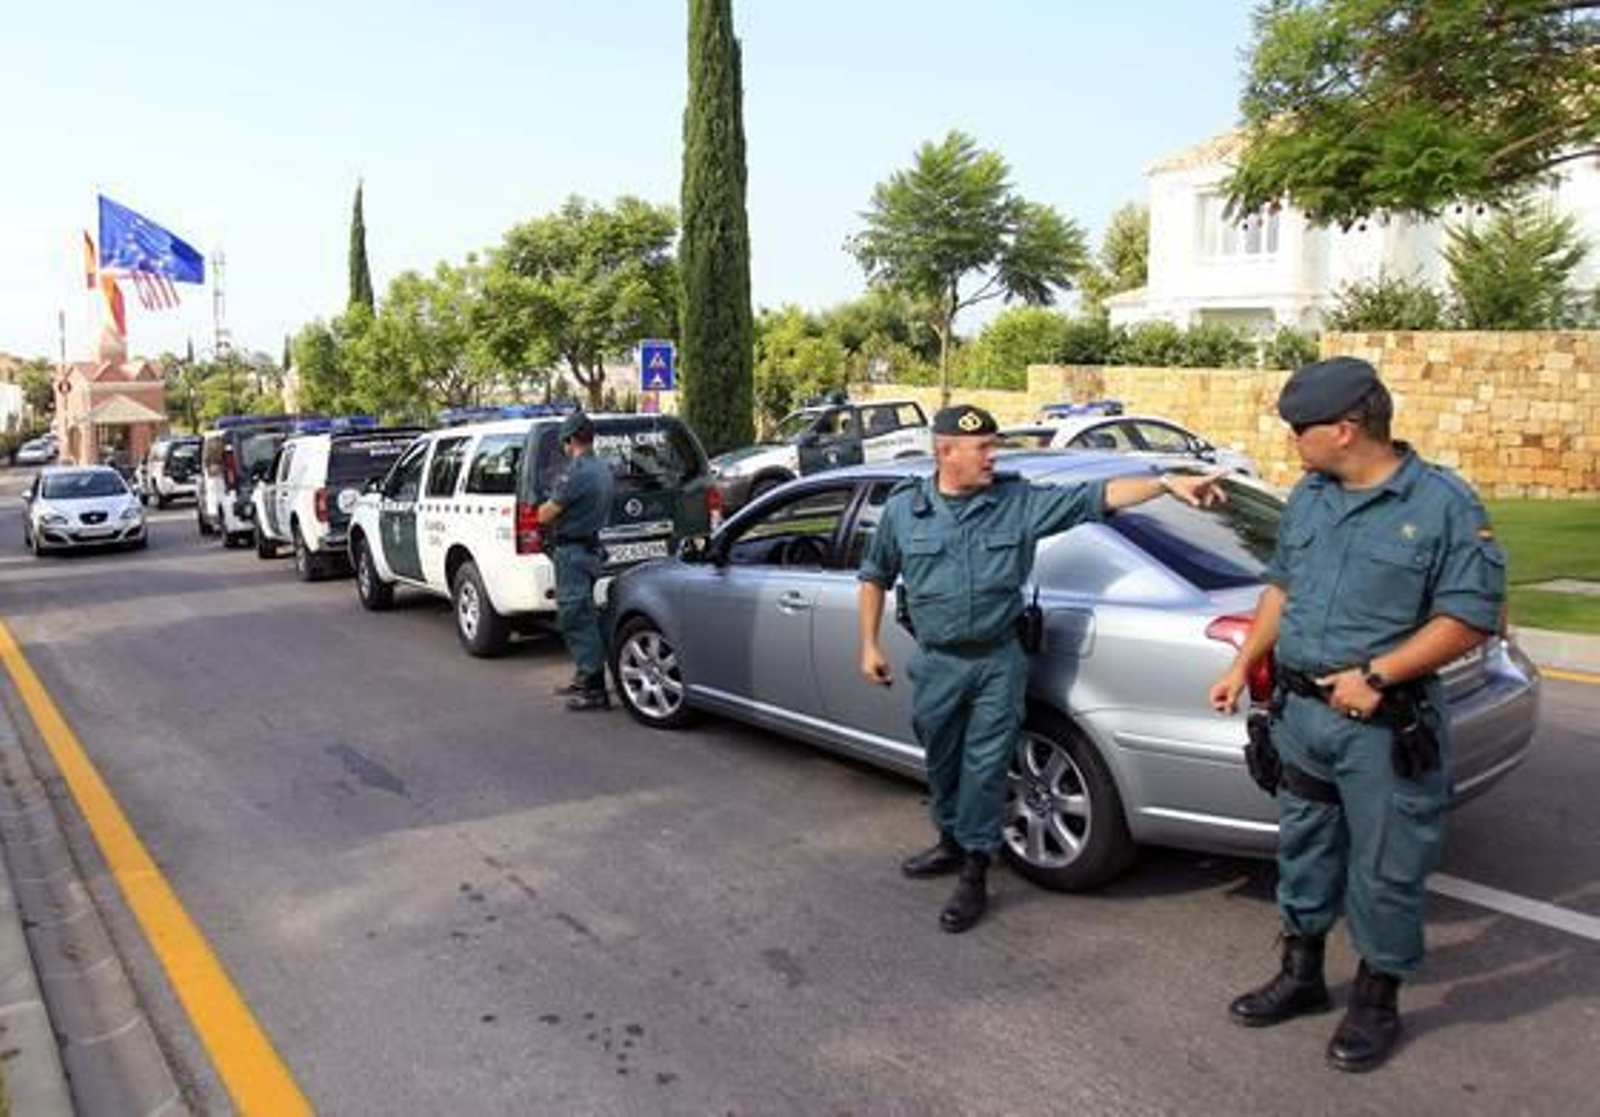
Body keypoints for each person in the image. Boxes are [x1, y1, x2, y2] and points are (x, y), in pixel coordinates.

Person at [1209, 356, 1506, 1073]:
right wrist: (1242, 661)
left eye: (1298, 429)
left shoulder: (1442, 505)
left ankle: (1376, 999)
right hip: (1303, 717)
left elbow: (1472, 615)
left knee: (1385, 868)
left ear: (1344, 429)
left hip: (1383, 725)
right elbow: (1283, 584)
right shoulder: (1311, 495)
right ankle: (1303, 973)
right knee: (1304, 846)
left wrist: (1378, 674)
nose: (1290, 443)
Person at [858, 403, 1227, 932]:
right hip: (936, 660)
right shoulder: (905, 511)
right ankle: (949, 840)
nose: (993, 456)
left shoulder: (1016, 503)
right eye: (982, 448)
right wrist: (868, 644)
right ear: (946, 453)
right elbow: (873, 574)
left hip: (996, 660)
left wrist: (1167, 483)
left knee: (985, 767)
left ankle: (975, 871)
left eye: (993, 445)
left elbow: (1095, 498)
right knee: (940, 757)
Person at [538, 411, 616, 712]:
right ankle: (585, 676)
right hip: (590, 549)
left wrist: (539, 506)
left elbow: (545, 514)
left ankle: (595, 690)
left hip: (573, 553)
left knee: (577, 618)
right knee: (585, 614)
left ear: (570, 440)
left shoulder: (576, 472)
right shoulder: (601, 467)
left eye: (564, 442)